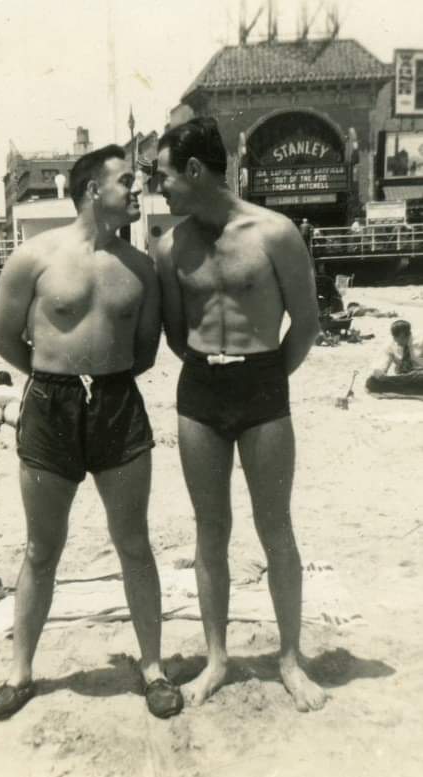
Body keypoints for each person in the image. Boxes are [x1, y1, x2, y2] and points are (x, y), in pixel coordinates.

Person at [0, 144, 183, 721]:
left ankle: (153, 669)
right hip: (50, 405)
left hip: (119, 404)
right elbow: (5, 341)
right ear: (94, 188)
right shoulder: (34, 257)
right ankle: (20, 673)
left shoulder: (140, 268)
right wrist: (56, 380)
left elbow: (144, 351)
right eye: (126, 181)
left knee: (135, 544)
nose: (136, 189)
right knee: (41, 548)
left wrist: (100, 380)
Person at [155, 117, 326, 712]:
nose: (161, 187)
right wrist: (217, 368)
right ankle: (217, 658)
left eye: (165, 175)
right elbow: (178, 336)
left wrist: (266, 377)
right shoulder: (170, 245)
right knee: (210, 530)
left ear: (195, 171)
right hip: (200, 391)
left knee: (274, 526)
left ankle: (289, 659)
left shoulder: (274, 233)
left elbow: (306, 325)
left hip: (262, 387)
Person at [366, 319, 423, 395]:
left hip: (419, 374)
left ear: (408, 334)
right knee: (371, 382)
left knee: (419, 377)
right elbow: (382, 363)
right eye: (394, 337)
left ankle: (408, 387)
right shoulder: (391, 344)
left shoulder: (421, 340)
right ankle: (410, 388)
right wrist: (379, 372)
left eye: (402, 337)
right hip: (403, 377)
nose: (396, 341)